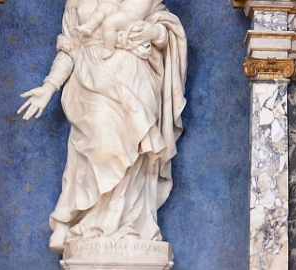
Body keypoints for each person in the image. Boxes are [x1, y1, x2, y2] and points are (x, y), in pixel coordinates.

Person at [16, 0, 188, 253]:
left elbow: (167, 30)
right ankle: (87, 222)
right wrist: (49, 86)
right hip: (90, 79)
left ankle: (127, 225)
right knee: (102, 145)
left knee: (137, 148)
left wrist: (154, 32)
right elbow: (70, 48)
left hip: (137, 78)